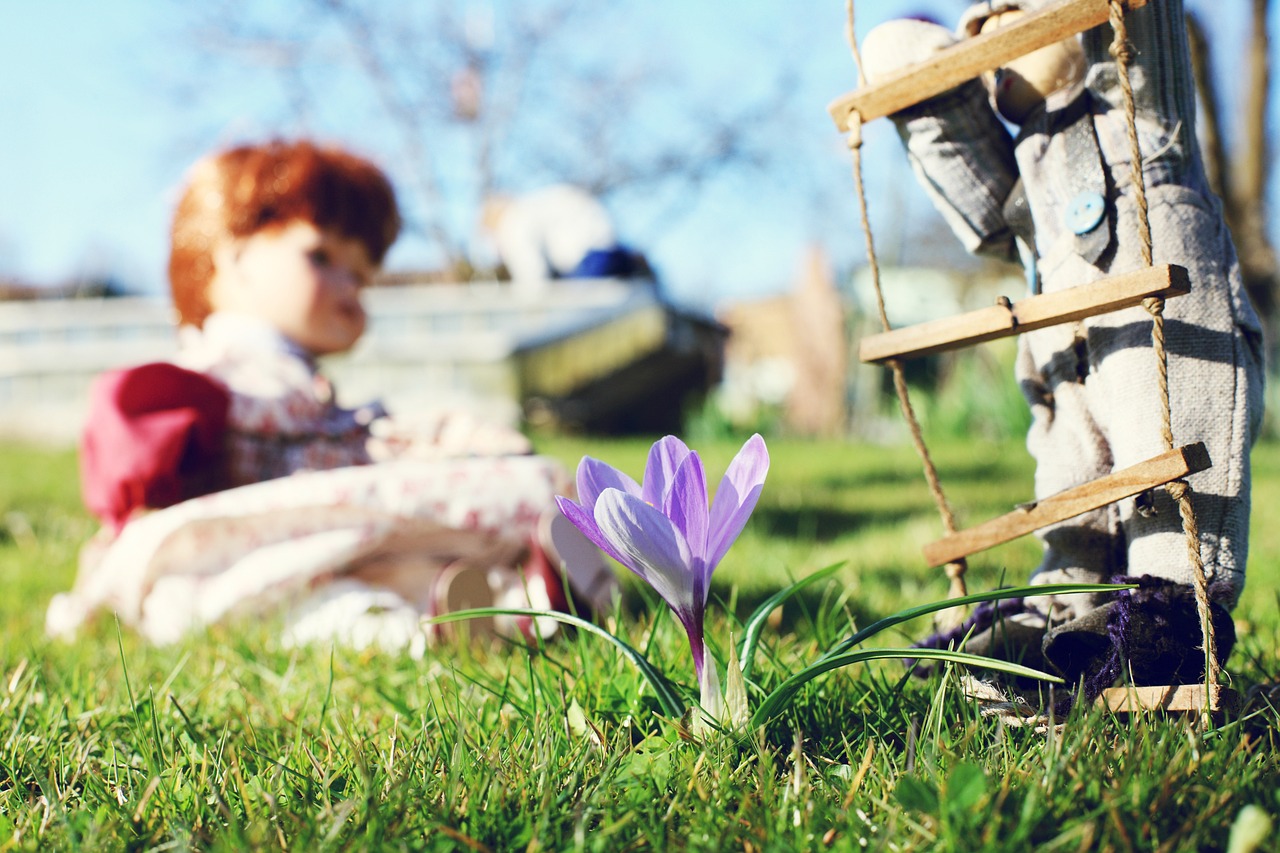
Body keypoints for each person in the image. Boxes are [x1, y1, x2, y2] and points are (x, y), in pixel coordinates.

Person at [47, 140, 618, 653]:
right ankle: (442, 620)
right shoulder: (213, 378)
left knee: (391, 564)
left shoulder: (310, 390)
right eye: (321, 257)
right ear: (235, 255)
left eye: (361, 277)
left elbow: (354, 434)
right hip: (240, 546)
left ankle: (519, 600)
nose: (348, 288)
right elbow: (137, 448)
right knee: (242, 601)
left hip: (332, 537)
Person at [860, 0, 1264, 692]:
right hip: (1061, 339)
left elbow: (1142, 31)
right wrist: (925, 93)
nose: (994, 40)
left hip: (1161, 312)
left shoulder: (1137, 118)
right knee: (1070, 464)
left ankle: (1170, 603)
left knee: (1167, 429)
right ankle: (1064, 604)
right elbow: (985, 207)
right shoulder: (1031, 159)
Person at [481, 185, 647, 296]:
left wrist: (527, 311)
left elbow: (532, 274)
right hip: (609, 248)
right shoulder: (532, 206)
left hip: (589, 259)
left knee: (575, 313)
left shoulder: (512, 223)